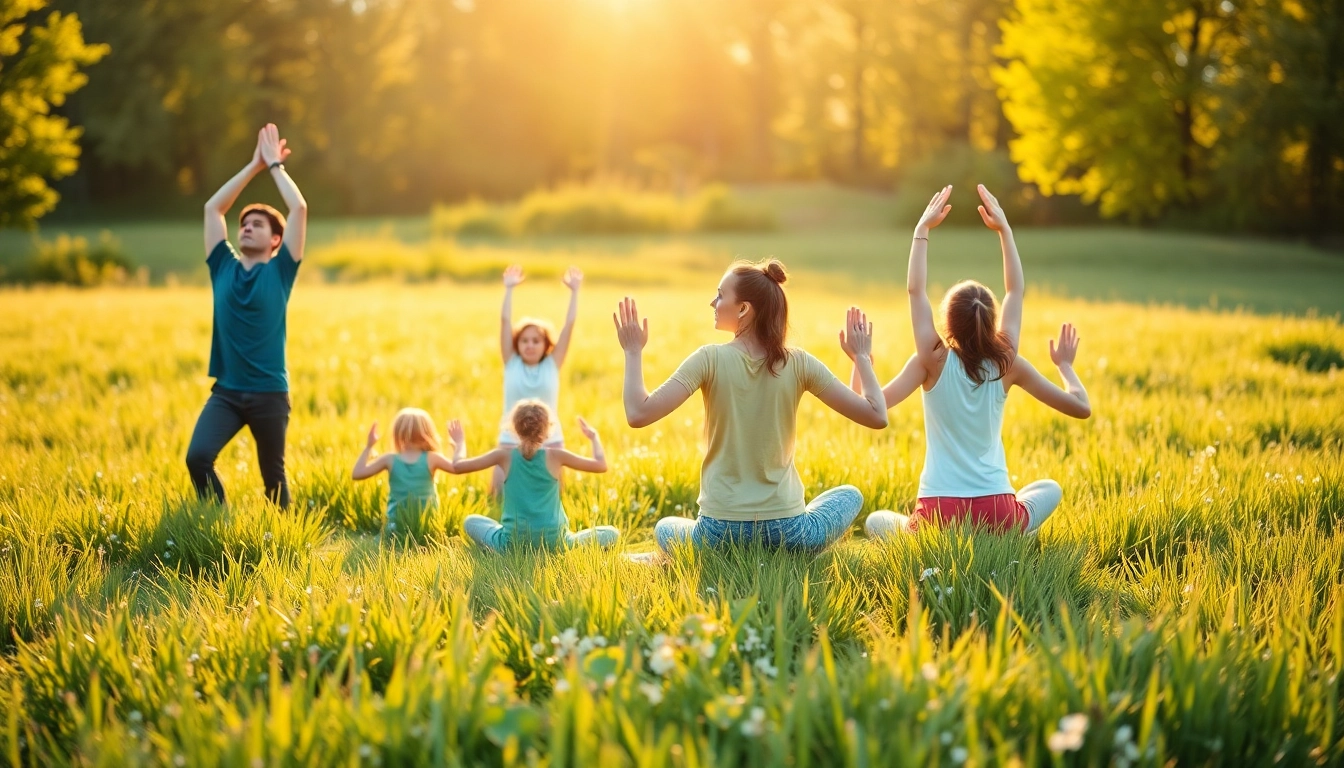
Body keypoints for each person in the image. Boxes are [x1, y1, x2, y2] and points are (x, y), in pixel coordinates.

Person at [615, 258, 888, 559]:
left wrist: (632, 352)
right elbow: (876, 415)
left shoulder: (708, 358)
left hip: (718, 533)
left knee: (666, 527)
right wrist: (862, 357)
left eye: (720, 295)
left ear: (744, 309)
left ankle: (710, 559)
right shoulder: (799, 362)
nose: (712, 302)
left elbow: (638, 413)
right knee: (850, 496)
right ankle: (788, 556)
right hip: (788, 531)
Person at [863, 184, 1092, 539]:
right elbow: (1080, 407)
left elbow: (915, 291)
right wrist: (1065, 366)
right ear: (992, 321)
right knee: (1049, 488)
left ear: (948, 322)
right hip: (997, 510)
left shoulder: (931, 359)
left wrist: (921, 231)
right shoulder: (1007, 361)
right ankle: (1013, 534)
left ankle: (960, 538)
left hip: (939, 514)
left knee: (877, 521)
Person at [185, 124, 307, 508]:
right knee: (198, 457)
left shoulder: (281, 270)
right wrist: (253, 165)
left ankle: (286, 549)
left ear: (276, 240)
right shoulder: (223, 266)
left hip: (270, 393)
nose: (247, 227)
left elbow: (299, 208)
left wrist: (274, 167)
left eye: (257, 224)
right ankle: (215, 521)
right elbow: (212, 208)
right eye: (244, 224)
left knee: (273, 478)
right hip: (228, 393)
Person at [453, 401, 619, 551]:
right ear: (547, 430)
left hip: (513, 544)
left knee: (471, 521)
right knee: (611, 533)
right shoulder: (556, 456)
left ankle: (496, 549)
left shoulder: (504, 456)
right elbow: (600, 465)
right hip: (556, 543)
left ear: (515, 429)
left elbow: (458, 466)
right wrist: (594, 437)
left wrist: (459, 443)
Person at [493, 265, 582, 494]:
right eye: (524, 340)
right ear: (517, 344)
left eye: (535, 340)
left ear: (545, 345)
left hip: (549, 438)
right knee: (498, 495)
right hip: (510, 437)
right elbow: (504, 321)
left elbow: (569, 326)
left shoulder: (552, 364)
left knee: (553, 495)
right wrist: (509, 289)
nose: (530, 345)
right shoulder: (511, 362)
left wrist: (574, 292)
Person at [351, 408, 457, 531]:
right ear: (428, 433)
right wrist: (456, 446)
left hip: (395, 526)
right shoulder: (432, 459)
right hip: (427, 526)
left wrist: (369, 447)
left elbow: (357, 473)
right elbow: (457, 468)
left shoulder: (389, 459)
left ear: (397, 433)